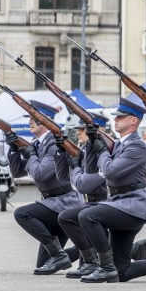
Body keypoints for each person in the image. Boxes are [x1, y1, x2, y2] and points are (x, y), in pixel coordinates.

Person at [77, 97, 146, 283]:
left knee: (87, 216)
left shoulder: (137, 145)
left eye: (121, 117)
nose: (115, 119)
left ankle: (104, 266)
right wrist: (92, 143)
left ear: (133, 120)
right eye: (116, 116)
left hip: (133, 206)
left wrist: (101, 151)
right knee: (122, 272)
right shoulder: (117, 144)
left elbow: (109, 172)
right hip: (120, 205)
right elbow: (91, 170)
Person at [6, 101, 81, 274]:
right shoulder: (37, 143)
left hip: (64, 203)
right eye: (29, 118)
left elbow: (40, 173)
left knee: (22, 213)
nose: (29, 122)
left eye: (33, 118)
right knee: (43, 265)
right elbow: (17, 172)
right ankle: (89, 250)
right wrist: (14, 150)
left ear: (45, 120)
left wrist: (30, 154)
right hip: (51, 204)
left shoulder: (54, 144)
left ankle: (62, 254)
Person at [55, 112, 111, 279]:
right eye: (78, 128)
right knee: (68, 217)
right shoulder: (84, 150)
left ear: (97, 130)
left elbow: (83, 184)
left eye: (82, 128)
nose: (78, 132)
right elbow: (62, 176)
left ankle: (91, 262)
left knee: (71, 217)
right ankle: (89, 261)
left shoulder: (105, 151)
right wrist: (61, 153)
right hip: (89, 203)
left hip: (104, 201)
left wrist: (75, 167)